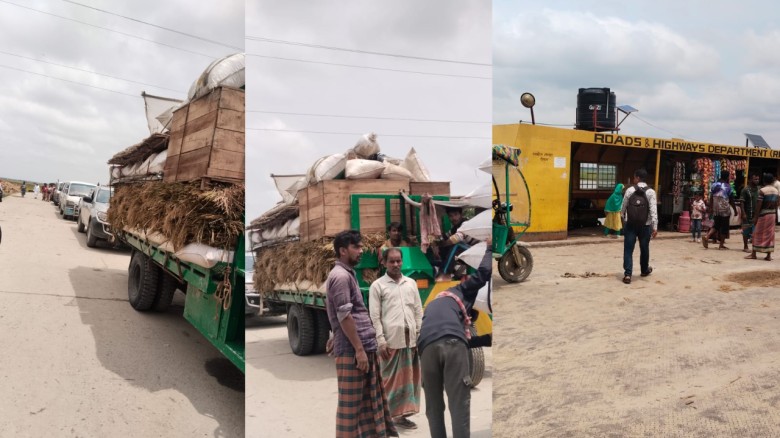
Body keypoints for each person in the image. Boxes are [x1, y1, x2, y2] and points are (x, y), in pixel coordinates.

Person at [324, 230, 397, 438]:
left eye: (361, 246)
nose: (361, 250)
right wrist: (358, 350)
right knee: (351, 408)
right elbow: (344, 315)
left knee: (367, 403)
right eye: (356, 247)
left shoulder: (348, 274)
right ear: (342, 250)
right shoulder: (340, 277)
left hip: (362, 346)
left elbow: (341, 314)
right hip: (353, 351)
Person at [417, 240, 492, 438]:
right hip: (450, 344)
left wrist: (486, 339)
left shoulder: (437, 303)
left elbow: (448, 338)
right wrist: (489, 248)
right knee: (459, 404)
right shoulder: (461, 290)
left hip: (426, 348)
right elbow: (484, 273)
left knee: (434, 407)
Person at [369, 247, 423, 429]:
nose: (395, 264)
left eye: (398, 261)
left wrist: (419, 334)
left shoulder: (411, 283)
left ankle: (401, 417)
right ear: (384, 263)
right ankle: (384, 418)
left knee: (408, 381)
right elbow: (375, 316)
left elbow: (418, 310)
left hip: (410, 341)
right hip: (391, 342)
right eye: (391, 261)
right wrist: (381, 341)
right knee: (389, 382)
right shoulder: (378, 286)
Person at [620, 169, 658, 284]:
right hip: (645, 225)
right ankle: (644, 270)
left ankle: (628, 275)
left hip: (631, 224)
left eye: (634, 177)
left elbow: (623, 207)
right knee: (644, 248)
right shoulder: (651, 192)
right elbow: (653, 210)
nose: (633, 179)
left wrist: (623, 219)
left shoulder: (630, 190)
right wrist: (655, 227)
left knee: (628, 249)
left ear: (637, 178)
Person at [745, 173, 779, 261]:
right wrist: (776, 216)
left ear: (764, 181)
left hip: (763, 214)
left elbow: (759, 205)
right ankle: (768, 255)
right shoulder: (776, 191)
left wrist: (755, 217)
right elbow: (776, 204)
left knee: (756, 233)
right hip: (772, 214)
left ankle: (753, 254)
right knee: (770, 234)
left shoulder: (762, 191)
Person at [703, 170, 735, 250]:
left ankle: (707, 236)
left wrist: (711, 207)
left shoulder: (714, 185)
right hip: (725, 209)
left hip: (716, 208)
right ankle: (721, 245)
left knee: (716, 225)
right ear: (727, 177)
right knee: (724, 227)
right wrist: (735, 210)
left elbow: (711, 197)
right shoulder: (728, 186)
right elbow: (731, 200)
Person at [741, 173, 760, 252]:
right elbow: (742, 202)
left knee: (756, 231)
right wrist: (743, 213)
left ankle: (754, 247)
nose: (757, 181)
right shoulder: (745, 190)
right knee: (746, 230)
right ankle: (745, 246)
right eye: (755, 179)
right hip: (748, 213)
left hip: (757, 214)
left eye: (758, 179)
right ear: (750, 180)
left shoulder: (759, 189)